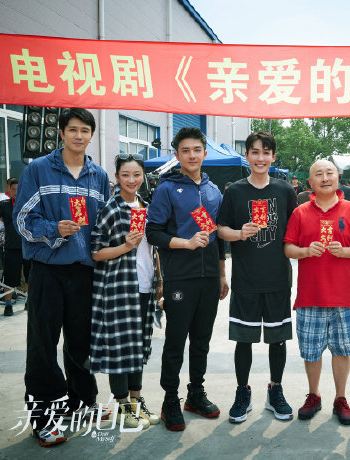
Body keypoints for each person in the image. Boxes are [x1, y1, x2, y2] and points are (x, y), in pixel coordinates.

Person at [13, 108, 111, 447]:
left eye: (85, 130)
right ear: (62, 132)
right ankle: (43, 418)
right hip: (48, 270)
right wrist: (54, 229)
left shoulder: (99, 176)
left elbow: (104, 224)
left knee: (81, 342)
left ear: (91, 135)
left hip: (85, 272)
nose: (79, 136)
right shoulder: (38, 169)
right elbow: (22, 220)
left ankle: (83, 402)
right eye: (73, 129)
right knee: (43, 344)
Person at [146, 127, 229, 431]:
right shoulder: (167, 189)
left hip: (209, 278)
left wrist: (222, 273)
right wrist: (186, 243)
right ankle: (170, 399)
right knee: (176, 340)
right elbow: (153, 232)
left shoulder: (213, 190)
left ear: (205, 153)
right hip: (180, 278)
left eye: (197, 150)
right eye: (185, 150)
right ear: (177, 154)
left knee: (202, 340)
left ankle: (195, 393)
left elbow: (220, 236)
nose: (192, 155)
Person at [284, 159, 350, 426]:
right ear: (310, 182)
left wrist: (344, 252)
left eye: (329, 173)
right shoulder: (300, 212)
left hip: (343, 296)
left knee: (342, 350)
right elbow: (288, 248)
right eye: (318, 174)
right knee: (311, 352)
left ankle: (340, 398)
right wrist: (305, 251)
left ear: (337, 178)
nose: (325, 178)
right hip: (310, 296)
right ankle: (314, 394)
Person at [218, 132, 297, 423]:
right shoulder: (235, 191)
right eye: (255, 152)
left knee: (278, 339)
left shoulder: (285, 190)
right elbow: (220, 229)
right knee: (244, 340)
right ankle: (243, 391)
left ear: (273, 156)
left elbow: (296, 230)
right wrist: (239, 234)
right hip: (246, 279)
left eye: (266, 152)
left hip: (277, 278)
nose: (260, 158)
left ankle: (275, 390)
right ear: (247, 156)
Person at [90, 153, 161, 430]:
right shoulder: (110, 209)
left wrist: (159, 280)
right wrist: (125, 246)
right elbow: (96, 252)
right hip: (118, 288)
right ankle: (122, 406)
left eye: (136, 174)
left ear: (143, 176)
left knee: (138, 346)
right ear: (117, 177)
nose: (132, 180)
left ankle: (136, 401)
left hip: (144, 285)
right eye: (126, 175)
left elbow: (152, 249)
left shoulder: (146, 207)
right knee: (120, 348)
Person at [0, 178, 31, 316]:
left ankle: (28, 301)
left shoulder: (30, 204)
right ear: (9, 189)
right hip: (11, 248)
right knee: (10, 278)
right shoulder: (4, 205)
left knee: (30, 276)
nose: (16, 192)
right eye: (13, 189)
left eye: (18, 189)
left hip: (29, 246)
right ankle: (8, 305)